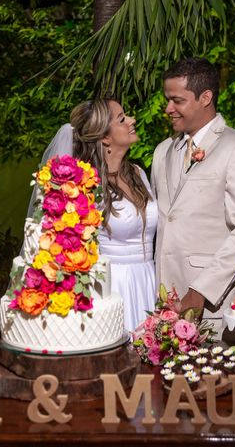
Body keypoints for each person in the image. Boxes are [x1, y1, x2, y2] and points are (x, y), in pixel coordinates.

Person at [151, 57, 235, 339]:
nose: (168, 109)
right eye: (167, 100)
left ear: (205, 97)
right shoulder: (162, 151)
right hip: (164, 299)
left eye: (177, 100)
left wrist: (200, 291)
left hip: (214, 303)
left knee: (218, 382)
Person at [70, 99, 158, 333]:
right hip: (112, 286)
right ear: (105, 138)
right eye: (122, 118)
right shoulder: (85, 184)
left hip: (148, 279)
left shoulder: (138, 173)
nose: (132, 120)